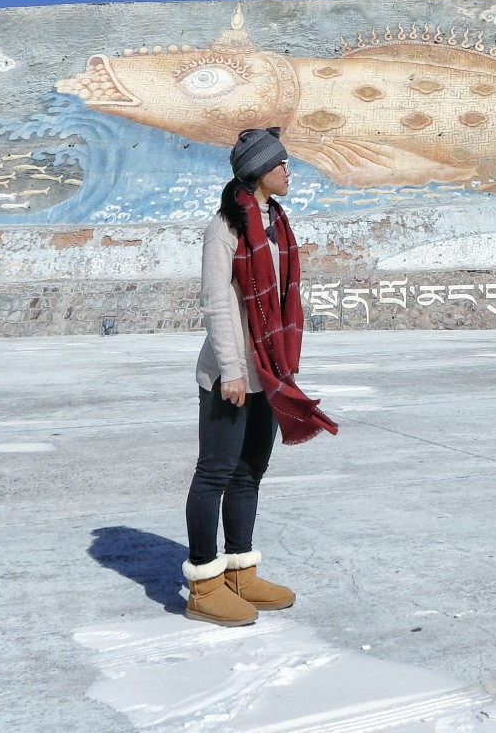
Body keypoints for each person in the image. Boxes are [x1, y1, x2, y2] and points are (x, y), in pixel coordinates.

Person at [182, 126, 338, 626]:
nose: (289, 171)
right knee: (215, 474)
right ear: (259, 173)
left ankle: (240, 572)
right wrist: (231, 370)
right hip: (231, 376)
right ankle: (205, 584)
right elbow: (215, 304)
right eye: (282, 164)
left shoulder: (277, 224)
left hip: (268, 375)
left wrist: (279, 368)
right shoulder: (224, 229)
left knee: (250, 473)